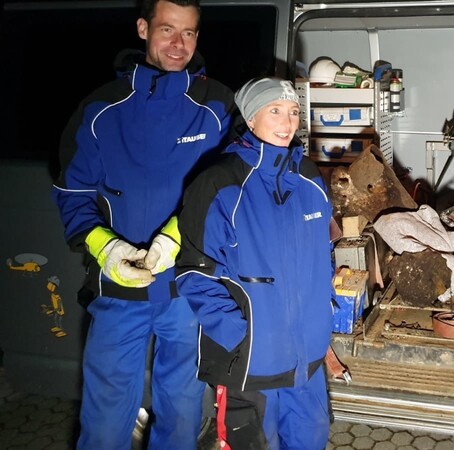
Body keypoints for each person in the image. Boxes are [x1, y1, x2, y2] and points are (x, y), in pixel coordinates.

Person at [51, 0, 235, 447]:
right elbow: (72, 192)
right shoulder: (99, 109)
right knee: (106, 418)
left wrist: (178, 235)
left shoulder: (217, 105)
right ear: (141, 28)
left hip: (188, 290)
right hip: (118, 293)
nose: (178, 45)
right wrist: (105, 247)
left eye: (189, 33)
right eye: (167, 30)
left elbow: (232, 187)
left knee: (183, 415)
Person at [175, 77, 335, 449]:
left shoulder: (309, 177)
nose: (287, 122)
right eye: (274, 111)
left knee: (311, 438)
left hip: (305, 360)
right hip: (251, 364)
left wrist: (320, 321)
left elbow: (321, 256)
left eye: (294, 112)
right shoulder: (219, 183)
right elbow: (195, 273)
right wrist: (240, 336)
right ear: (250, 119)